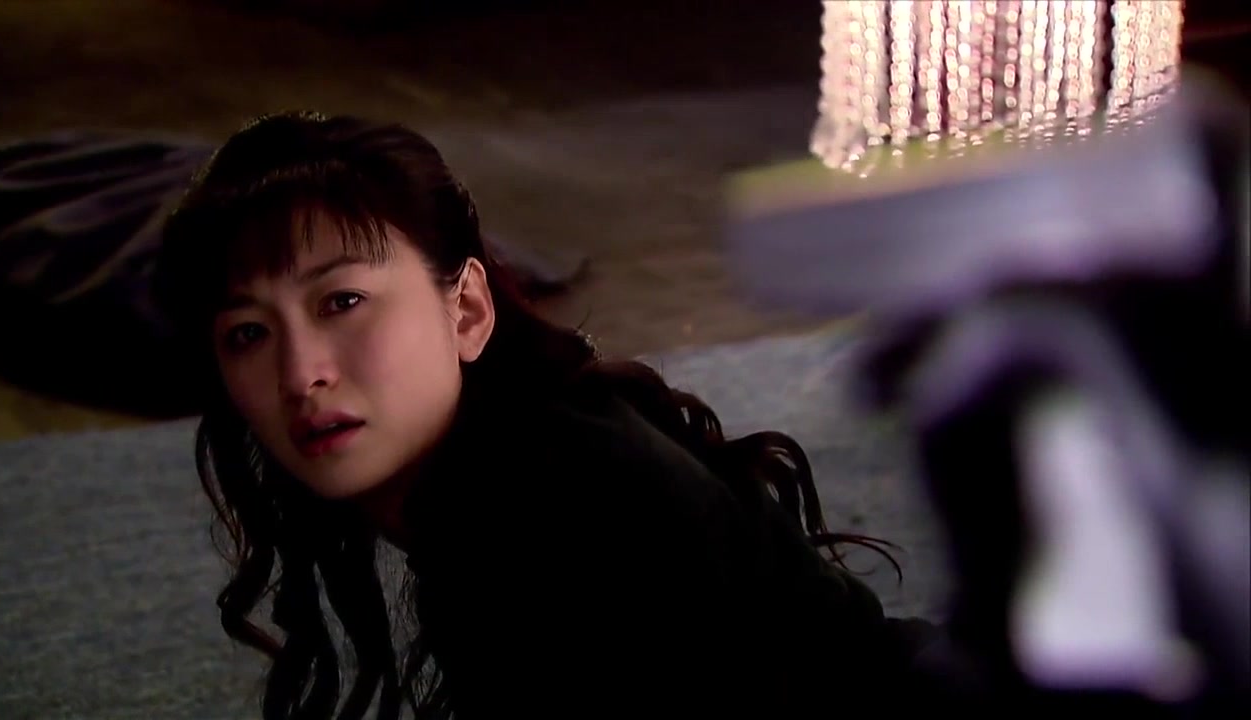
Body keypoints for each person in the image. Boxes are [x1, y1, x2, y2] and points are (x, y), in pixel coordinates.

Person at [153, 111, 936, 720]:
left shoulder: (556, 512)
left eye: (343, 301)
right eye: (248, 333)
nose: (301, 374)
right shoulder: (509, 460)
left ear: (466, 308)